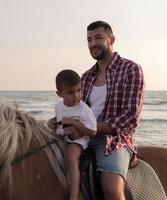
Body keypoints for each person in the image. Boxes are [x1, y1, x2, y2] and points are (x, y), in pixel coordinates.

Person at [63, 21, 145, 200]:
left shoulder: (131, 70)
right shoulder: (85, 77)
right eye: (89, 39)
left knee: (111, 188)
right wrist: (61, 121)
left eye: (98, 37)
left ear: (111, 39)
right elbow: (76, 108)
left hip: (113, 139)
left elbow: (130, 117)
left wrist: (89, 128)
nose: (93, 44)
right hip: (83, 135)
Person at [47, 69, 97, 200]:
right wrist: (51, 122)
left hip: (78, 141)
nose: (76, 95)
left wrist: (74, 124)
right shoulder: (59, 106)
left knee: (71, 158)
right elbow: (58, 122)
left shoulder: (83, 109)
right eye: (70, 92)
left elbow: (92, 131)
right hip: (62, 137)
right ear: (59, 93)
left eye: (79, 90)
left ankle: (73, 196)